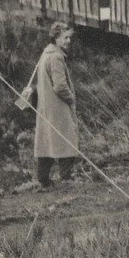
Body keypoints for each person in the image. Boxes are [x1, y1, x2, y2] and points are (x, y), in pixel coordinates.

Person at [34, 22, 80, 188]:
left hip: (46, 106)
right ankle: (66, 178)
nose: (68, 41)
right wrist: (71, 98)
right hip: (58, 106)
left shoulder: (46, 53)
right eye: (65, 37)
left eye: (70, 37)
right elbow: (60, 86)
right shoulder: (56, 57)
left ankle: (43, 179)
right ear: (56, 38)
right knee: (67, 138)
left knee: (46, 141)